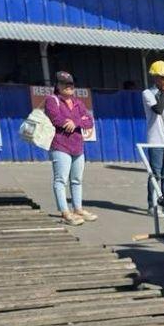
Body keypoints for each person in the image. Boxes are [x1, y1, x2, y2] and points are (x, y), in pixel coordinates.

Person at [43, 71, 95, 226]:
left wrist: (75, 123)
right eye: (65, 84)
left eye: (71, 84)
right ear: (57, 86)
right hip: (60, 145)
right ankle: (65, 212)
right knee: (61, 180)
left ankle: (78, 209)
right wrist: (77, 121)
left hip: (78, 146)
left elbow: (89, 120)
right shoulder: (52, 100)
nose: (68, 87)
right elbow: (56, 119)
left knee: (77, 180)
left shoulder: (78, 103)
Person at [142, 60, 164, 212]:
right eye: (163, 78)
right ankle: (152, 204)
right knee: (155, 173)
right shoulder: (148, 93)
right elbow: (158, 109)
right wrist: (163, 92)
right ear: (155, 78)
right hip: (155, 139)